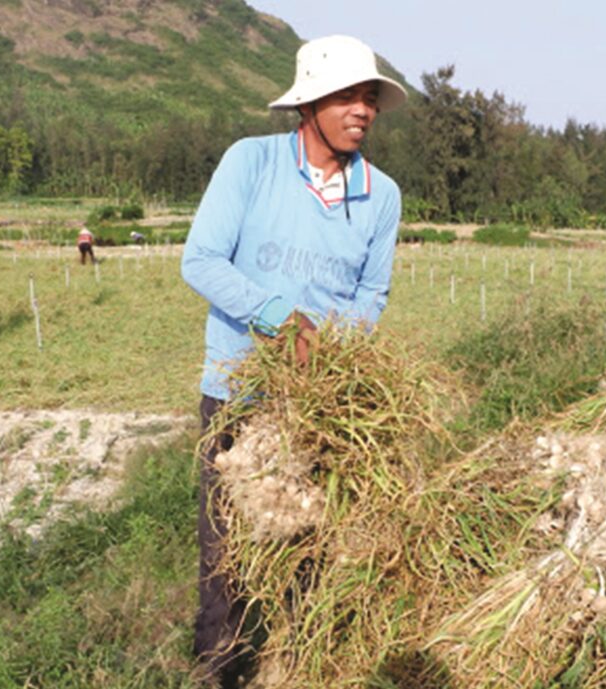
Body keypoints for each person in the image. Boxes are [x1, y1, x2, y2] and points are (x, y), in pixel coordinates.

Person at [180, 35, 406, 688]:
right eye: (346, 97)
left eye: (369, 99)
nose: (362, 110)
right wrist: (284, 323)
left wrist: (336, 358)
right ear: (308, 105)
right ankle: (219, 671)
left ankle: (300, 669)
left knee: (313, 553)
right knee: (225, 557)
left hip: (322, 404)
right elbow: (201, 260)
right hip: (237, 391)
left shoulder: (380, 194)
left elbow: (371, 294)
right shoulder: (251, 164)